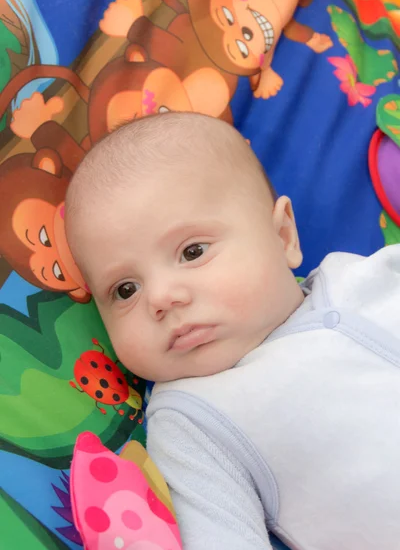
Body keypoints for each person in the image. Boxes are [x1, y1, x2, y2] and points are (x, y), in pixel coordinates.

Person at [65, 112, 400, 550]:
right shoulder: (191, 416)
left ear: (282, 237)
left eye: (192, 251)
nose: (161, 298)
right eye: (125, 289)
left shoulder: (364, 274)